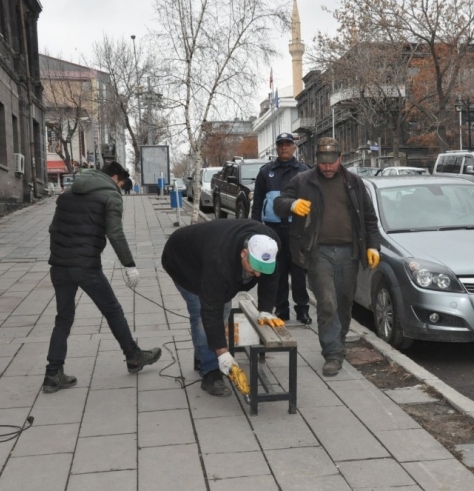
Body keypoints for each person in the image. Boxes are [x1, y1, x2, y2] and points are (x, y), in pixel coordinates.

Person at [44, 161, 161, 393]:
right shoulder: (110, 196)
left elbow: (52, 228)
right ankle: (134, 356)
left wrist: (61, 256)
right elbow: (115, 232)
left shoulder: (68, 194)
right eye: (121, 183)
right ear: (115, 177)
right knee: (112, 310)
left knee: (63, 318)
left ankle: (52, 374)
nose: (120, 188)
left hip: (59, 265)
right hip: (86, 267)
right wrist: (129, 265)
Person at [274, 137, 380, 377]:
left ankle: (338, 343)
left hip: (349, 253)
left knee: (343, 303)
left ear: (340, 158)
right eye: (323, 163)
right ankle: (332, 353)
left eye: (332, 162)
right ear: (316, 161)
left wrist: (373, 246)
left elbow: (369, 218)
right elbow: (278, 203)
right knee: (327, 302)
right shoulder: (303, 181)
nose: (328, 167)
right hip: (318, 252)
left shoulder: (353, 182)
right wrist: (292, 204)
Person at [161, 219, 284, 396]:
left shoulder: (270, 244)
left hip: (208, 249)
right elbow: (210, 310)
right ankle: (210, 373)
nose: (258, 275)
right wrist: (223, 354)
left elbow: (271, 278)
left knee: (224, 310)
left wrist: (265, 310)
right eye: (254, 269)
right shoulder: (219, 261)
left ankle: (204, 354)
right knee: (202, 316)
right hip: (183, 261)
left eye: (262, 269)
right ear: (244, 253)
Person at [252, 132, 311, 324]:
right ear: (276, 148)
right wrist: (254, 227)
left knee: (299, 270)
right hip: (272, 228)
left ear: (294, 147)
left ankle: (302, 309)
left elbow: (313, 200)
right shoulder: (266, 172)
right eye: (280, 145)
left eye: (288, 144)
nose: (284, 148)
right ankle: (282, 308)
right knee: (276, 269)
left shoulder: (304, 170)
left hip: (298, 228)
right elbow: (258, 201)